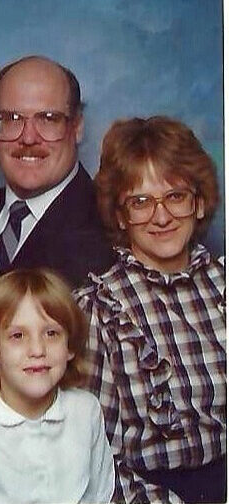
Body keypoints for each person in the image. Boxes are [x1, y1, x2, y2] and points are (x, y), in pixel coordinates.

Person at [73, 116, 226, 503]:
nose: (161, 217)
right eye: (140, 202)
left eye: (175, 196)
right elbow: (95, 457)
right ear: (121, 215)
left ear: (199, 201)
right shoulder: (100, 308)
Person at [0, 268, 115, 504]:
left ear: (70, 346)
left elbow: (99, 494)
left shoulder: (86, 412)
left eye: (51, 333)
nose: (37, 350)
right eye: (18, 336)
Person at [0, 55, 114, 295]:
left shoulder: (110, 229)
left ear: (77, 127)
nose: (29, 138)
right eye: (11, 118)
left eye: (48, 119)